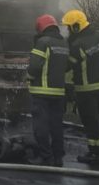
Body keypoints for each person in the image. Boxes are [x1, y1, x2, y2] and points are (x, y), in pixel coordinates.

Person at [62, 9, 99, 165]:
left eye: (69, 27)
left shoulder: (77, 45)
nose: (68, 30)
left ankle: (95, 153)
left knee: (91, 123)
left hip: (86, 89)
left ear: (76, 27)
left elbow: (67, 66)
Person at [27, 14, 69, 167]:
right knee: (56, 126)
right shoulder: (63, 43)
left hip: (41, 92)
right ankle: (58, 157)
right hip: (59, 92)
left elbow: (35, 66)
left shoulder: (42, 42)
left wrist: (28, 76)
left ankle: (45, 156)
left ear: (40, 27)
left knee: (41, 126)